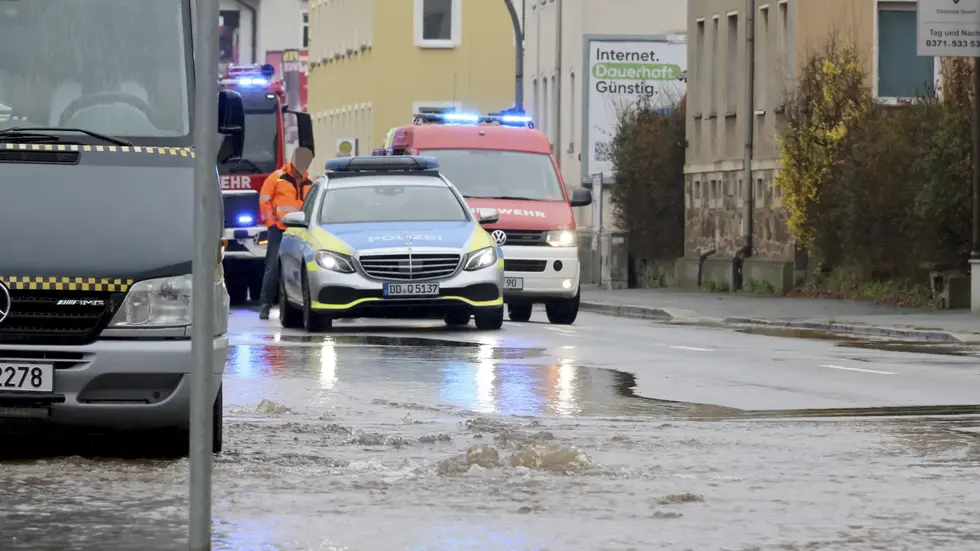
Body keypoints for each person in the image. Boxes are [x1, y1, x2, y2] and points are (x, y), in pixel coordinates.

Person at [257, 147, 314, 320]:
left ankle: (296, 305)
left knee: (299, 267)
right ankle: (265, 305)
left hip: (299, 231)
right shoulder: (276, 178)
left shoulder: (310, 183)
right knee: (273, 267)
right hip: (279, 230)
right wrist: (271, 224)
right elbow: (264, 200)